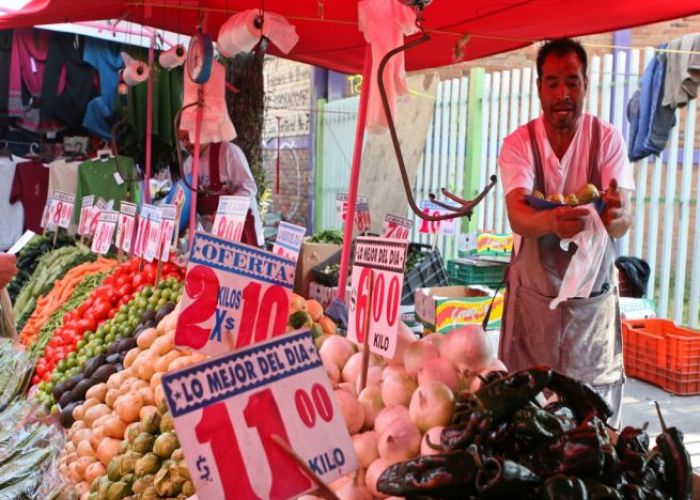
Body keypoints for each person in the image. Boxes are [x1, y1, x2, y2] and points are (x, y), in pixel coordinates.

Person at [498, 38, 634, 427]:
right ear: (539, 86)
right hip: (533, 305)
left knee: (591, 419)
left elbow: (623, 221)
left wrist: (615, 214)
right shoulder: (519, 144)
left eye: (572, 82)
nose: (563, 94)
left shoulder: (606, 139)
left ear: (586, 85)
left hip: (589, 308)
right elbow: (518, 214)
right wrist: (552, 221)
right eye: (553, 82)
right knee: (525, 412)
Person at [178, 130, 264, 247]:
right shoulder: (188, 165)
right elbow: (187, 202)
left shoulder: (228, 152)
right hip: (210, 242)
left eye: (187, 137)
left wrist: (226, 211)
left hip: (242, 236)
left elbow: (248, 188)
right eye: (182, 139)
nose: (185, 144)